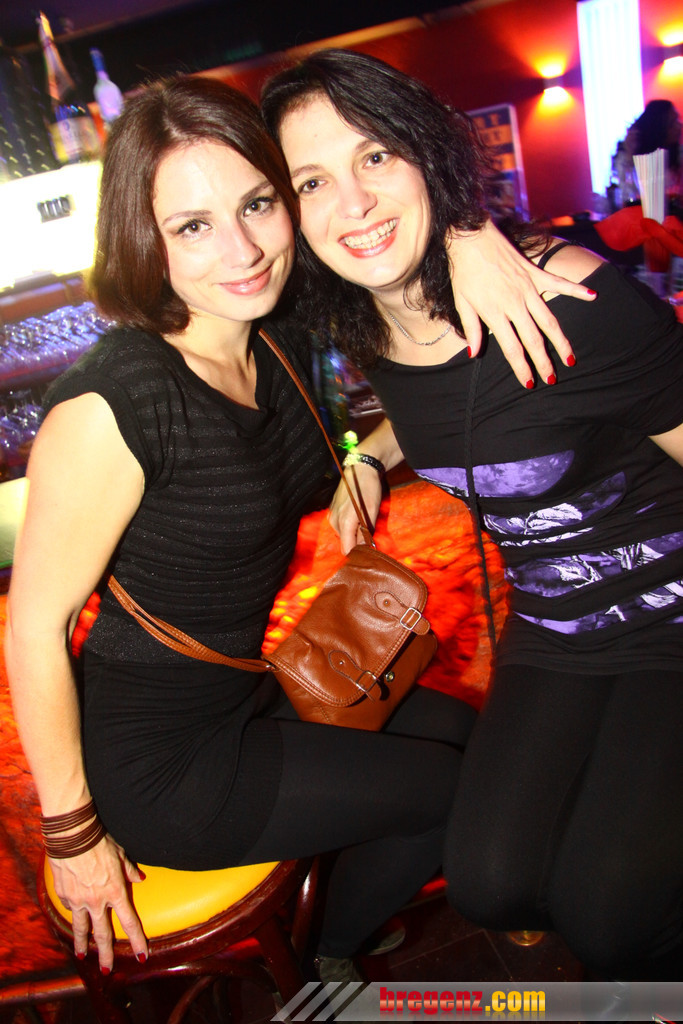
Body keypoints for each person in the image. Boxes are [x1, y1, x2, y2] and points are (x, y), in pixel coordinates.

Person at [5, 72, 587, 984]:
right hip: (160, 761)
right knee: (453, 790)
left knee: (461, 736)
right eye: (191, 226)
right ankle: (325, 955)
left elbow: (394, 248)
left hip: (251, 690)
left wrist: (469, 237)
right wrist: (73, 834)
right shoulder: (114, 405)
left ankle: (338, 898)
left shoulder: (273, 333)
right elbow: (31, 627)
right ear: (142, 240)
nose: (241, 250)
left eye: (256, 205)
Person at [261, 48, 683, 980]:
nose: (352, 202)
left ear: (425, 151)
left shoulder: (564, 299)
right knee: (489, 886)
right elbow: (450, 408)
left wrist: (469, 229)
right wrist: (369, 459)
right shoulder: (368, 324)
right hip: (554, 625)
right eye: (312, 180)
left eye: (375, 156)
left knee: (608, 917)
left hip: (672, 614)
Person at [614, 99, 682, 207]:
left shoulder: (678, 154)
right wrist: (629, 156)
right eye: (672, 123)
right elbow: (626, 197)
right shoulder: (635, 160)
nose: (679, 126)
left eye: (678, 120)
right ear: (659, 128)